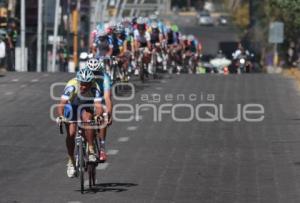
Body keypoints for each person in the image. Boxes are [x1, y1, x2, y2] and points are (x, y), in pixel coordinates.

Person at [56, 67, 104, 178]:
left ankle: (91, 150)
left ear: (91, 83)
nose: (83, 87)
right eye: (82, 84)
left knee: (88, 119)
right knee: (71, 134)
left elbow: (98, 106)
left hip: (86, 106)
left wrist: (98, 115)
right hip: (72, 105)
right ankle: (71, 161)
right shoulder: (72, 85)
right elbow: (62, 103)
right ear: (78, 81)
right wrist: (61, 116)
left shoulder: (95, 87)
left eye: (87, 84)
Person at [87, 58, 113, 162]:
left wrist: (109, 113)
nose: (94, 74)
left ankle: (102, 147)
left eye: (96, 72)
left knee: (103, 117)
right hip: (88, 98)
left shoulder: (105, 77)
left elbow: (107, 98)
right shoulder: (84, 74)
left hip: (100, 98)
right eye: (91, 72)